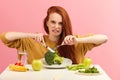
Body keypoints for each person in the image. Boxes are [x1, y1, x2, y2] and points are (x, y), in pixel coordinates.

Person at [0, 6, 108, 64]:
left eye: (60, 23)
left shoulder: (75, 41)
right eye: (53, 22)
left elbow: (104, 38)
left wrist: (78, 41)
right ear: (47, 22)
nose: (56, 26)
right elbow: (5, 37)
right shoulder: (34, 41)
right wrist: (31, 34)